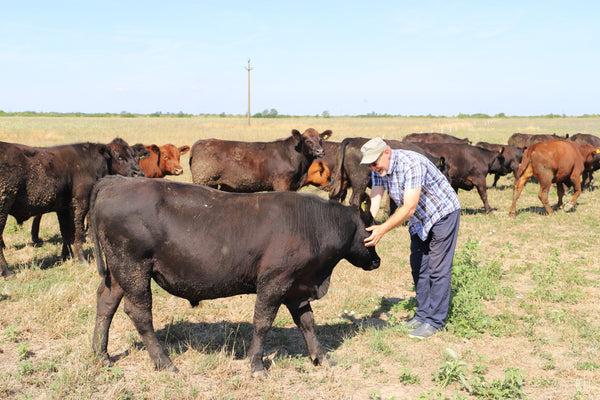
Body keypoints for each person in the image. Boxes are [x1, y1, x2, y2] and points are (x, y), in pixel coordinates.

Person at [361, 137, 461, 339]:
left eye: (374, 162)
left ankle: (435, 322)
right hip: (419, 219)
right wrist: (367, 224)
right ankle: (423, 314)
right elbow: (376, 196)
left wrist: (382, 229)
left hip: (442, 213)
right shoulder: (380, 170)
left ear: (387, 153)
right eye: (369, 164)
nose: (372, 167)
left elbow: (409, 207)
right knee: (419, 266)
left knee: (437, 268)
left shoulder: (411, 164)